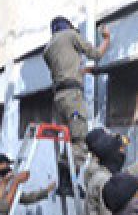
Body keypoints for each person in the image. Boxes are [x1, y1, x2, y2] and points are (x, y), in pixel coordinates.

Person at [44, 16, 109, 167]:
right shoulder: (71, 35)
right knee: (79, 141)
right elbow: (96, 54)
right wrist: (106, 39)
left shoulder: (48, 49)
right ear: (67, 26)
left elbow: (64, 71)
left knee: (68, 141)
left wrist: (82, 71)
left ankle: (65, 182)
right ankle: (80, 184)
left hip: (59, 99)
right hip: (72, 96)